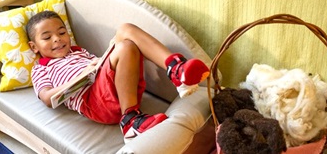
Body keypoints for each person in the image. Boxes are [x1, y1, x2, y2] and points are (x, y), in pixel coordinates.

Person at [27, 11, 209, 142]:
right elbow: (47, 98)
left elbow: (105, 67)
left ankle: (176, 70)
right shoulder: (41, 68)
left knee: (127, 38)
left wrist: (96, 64)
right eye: (47, 37)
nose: (57, 39)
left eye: (61, 33)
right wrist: (82, 75)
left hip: (121, 89)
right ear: (34, 47)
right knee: (125, 38)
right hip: (92, 100)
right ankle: (174, 72)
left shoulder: (78, 51)